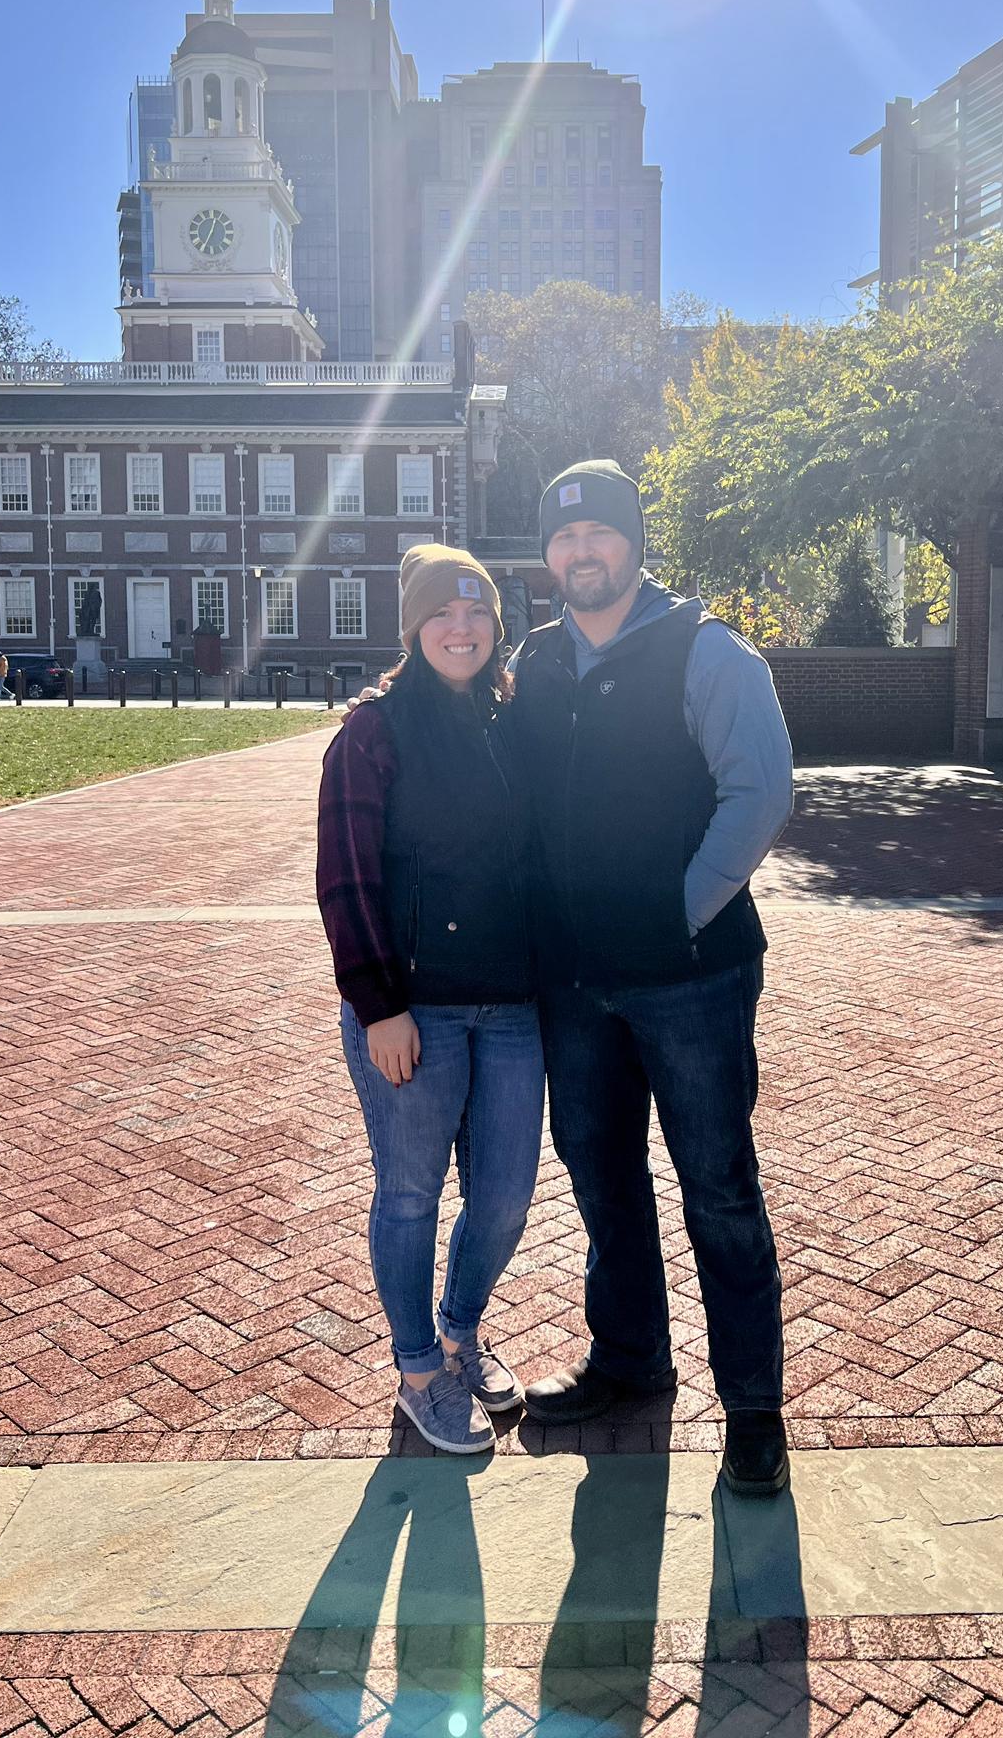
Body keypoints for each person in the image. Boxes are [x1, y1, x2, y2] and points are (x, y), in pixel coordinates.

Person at [508, 460, 796, 1497]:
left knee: (718, 1187)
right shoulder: (534, 663)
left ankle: (753, 1408)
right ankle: (630, 1360)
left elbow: (760, 792)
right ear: (549, 555)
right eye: (564, 538)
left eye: (599, 534)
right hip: (575, 985)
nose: (581, 552)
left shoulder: (707, 651)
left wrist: (674, 913)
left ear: (632, 541)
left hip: (690, 978)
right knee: (603, 1181)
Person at [316, 544, 544, 1456]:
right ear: (414, 627)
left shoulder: (509, 720)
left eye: (479, 614)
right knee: (409, 1194)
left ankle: (460, 1328)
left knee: (506, 1197)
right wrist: (379, 1006)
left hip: (514, 1008)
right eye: (445, 615)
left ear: (496, 627)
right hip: (414, 1010)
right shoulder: (372, 734)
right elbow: (346, 880)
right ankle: (418, 1370)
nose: (463, 629)